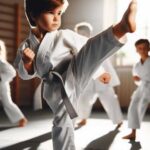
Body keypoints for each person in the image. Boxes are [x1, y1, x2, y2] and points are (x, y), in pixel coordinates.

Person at [14, 0, 137, 149]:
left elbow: (88, 50)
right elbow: (24, 74)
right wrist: (27, 63)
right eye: (51, 13)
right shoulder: (26, 46)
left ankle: (121, 28)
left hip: (74, 70)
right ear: (33, 16)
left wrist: (98, 72)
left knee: (89, 46)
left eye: (59, 13)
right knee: (62, 120)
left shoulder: (65, 35)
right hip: (56, 86)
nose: (56, 18)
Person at [74, 22, 123, 129]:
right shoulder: (76, 45)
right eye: (78, 33)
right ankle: (83, 118)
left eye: (82, 33)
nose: (80, 35)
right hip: (87, 79)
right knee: (83, 99)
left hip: (102, 76)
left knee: (110, 99)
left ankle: (118, 121)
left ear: (88, 33)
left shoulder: (97, 42)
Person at [123, 39, 150, 140]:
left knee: (141, 105)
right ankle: (133, 133)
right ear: (136, 50)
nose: (142, 50)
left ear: (149, 48)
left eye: (145, 48)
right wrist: (137, 80)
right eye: (140, 48)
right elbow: (137, 81)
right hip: (142, 87)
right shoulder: (137, 65)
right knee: (133, 106)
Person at [0, 40, 27, 127]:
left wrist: (1, 77)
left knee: (7, 103)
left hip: (2, 86)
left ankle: (21, 118)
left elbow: (12, 72)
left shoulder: (1, 61)